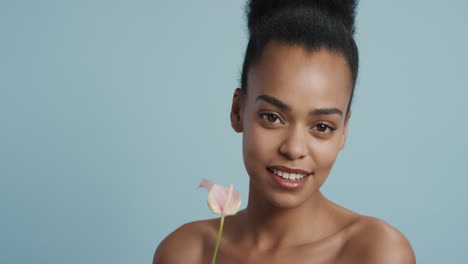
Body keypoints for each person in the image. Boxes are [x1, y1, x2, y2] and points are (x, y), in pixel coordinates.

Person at [154, 0, 415, 263]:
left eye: (322, 127)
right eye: (272, 117)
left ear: (344, 130)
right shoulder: (186, 252)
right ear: (237, 111)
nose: (294, 148)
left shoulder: (376, 252)